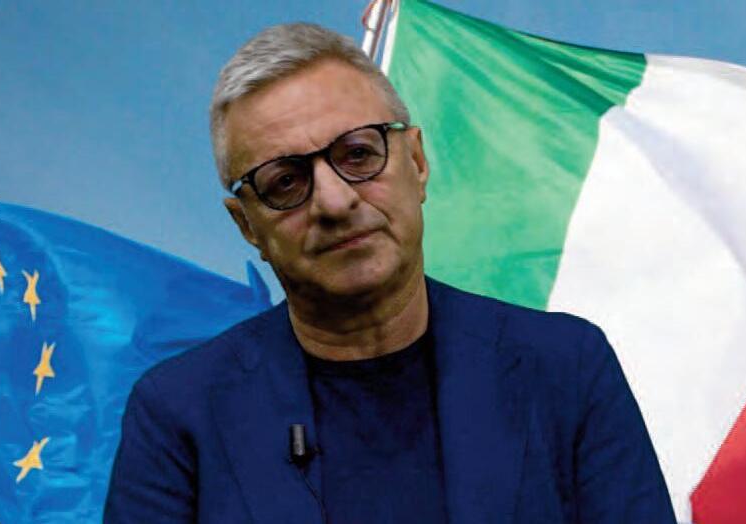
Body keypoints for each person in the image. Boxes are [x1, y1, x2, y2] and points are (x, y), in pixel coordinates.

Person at [104, 23, 676, 524]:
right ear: (247, 225)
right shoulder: (177, 416)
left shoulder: (565, 368)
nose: (334, 201)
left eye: (357, 154)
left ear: (418, 162)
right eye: (286, 182)